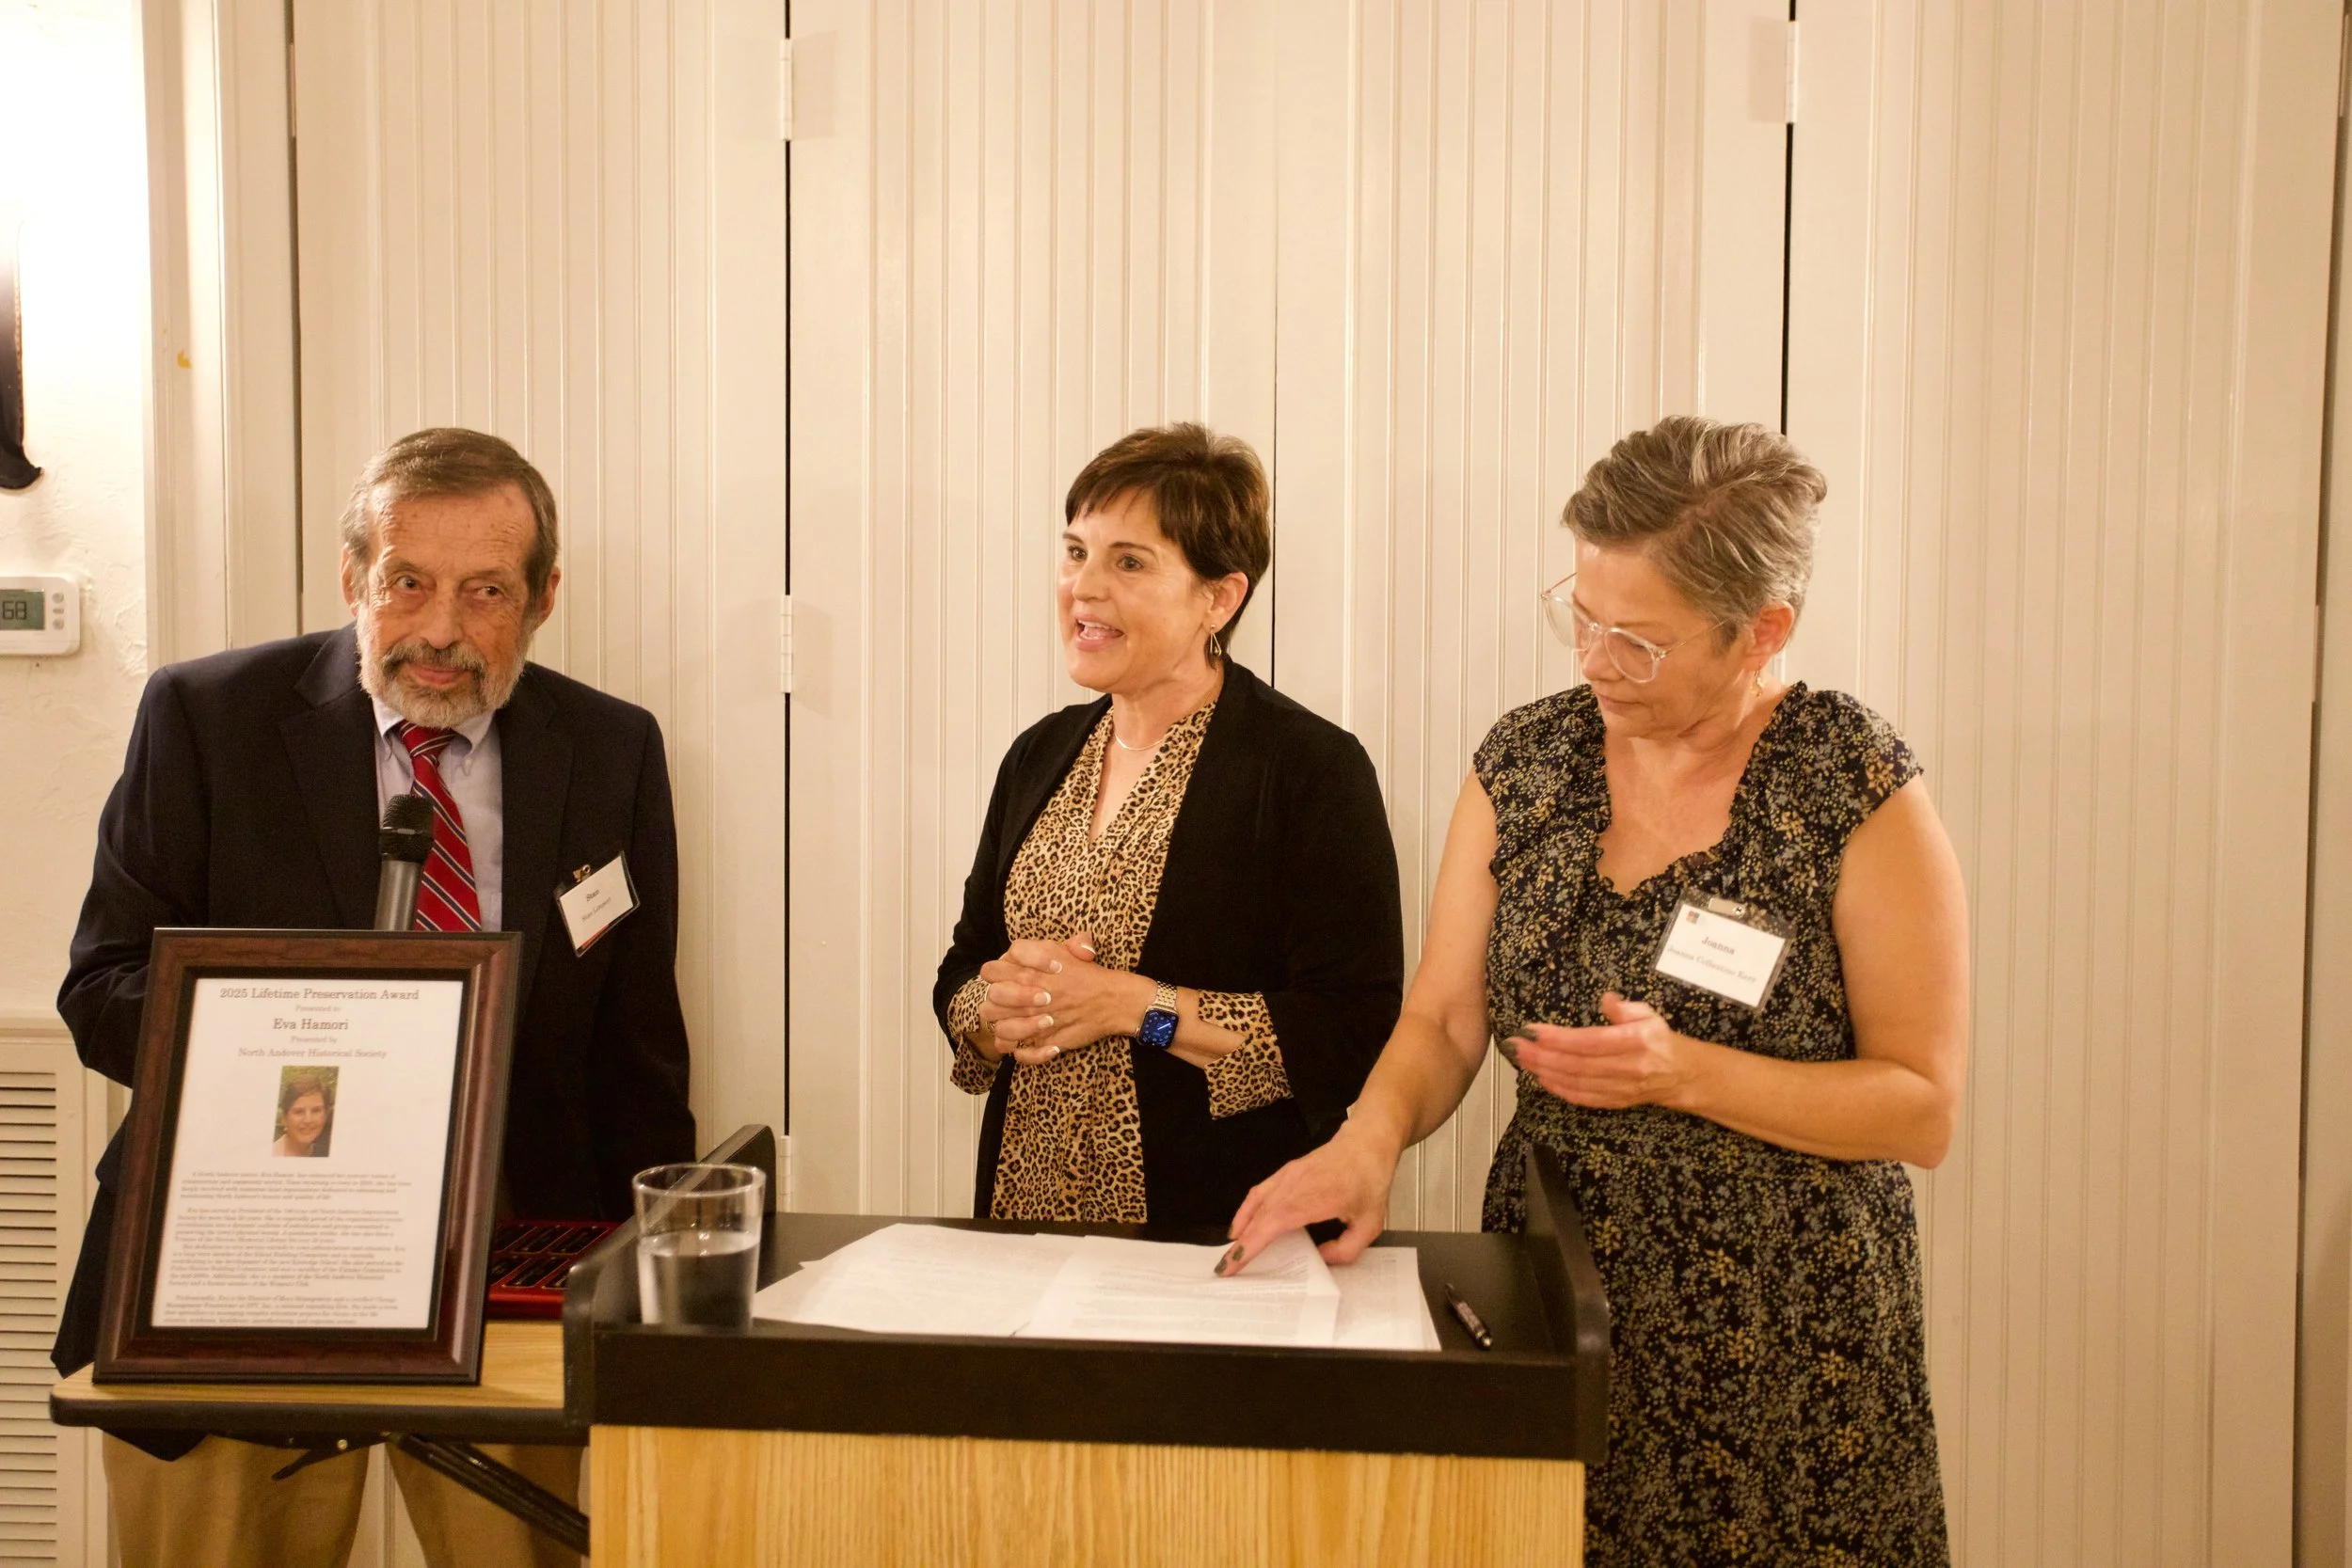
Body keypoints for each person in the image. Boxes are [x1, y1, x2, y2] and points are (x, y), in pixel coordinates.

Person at [1226, 417, 1966, 1565]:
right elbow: (1440, 1018)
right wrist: (1367, 1142)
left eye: (1640, 640)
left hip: (1786, 1338)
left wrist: (1689, 1073)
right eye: (1580, 615)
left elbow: (1920, 1103)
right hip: (1552, 1297)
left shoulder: (1845, 781)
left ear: (1760, 629)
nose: (1592, 660)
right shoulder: (1528, 760)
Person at [57, 428, 696, 1568]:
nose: (441, 630)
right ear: (353, 576)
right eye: (408, 581)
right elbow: (100, 987)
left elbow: (635, 1047)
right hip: (241, 1269)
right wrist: (287, 1034)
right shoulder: (208, 719)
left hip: (513, 1264)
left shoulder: (609, 748)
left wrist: (648, 1299)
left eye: (485, 590)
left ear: (544, 596)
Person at [934, 422, 1404, 1227]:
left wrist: (1134, 1006)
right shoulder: (1037, 755)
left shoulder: (1310, 769)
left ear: (1220, 597)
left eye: (1129, 561)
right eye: (1076, 551)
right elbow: (963, 968)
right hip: (1022, 1219)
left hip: (1215, 1233)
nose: (1084, 586)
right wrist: (991, 1008)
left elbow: (1348, 1030)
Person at [272, 1072, 333, 1158]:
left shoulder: (327, 1154)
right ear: (284, 1118)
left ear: (326, 1115)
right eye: (299, 1112)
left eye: (316, 1111)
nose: (308, 1120)